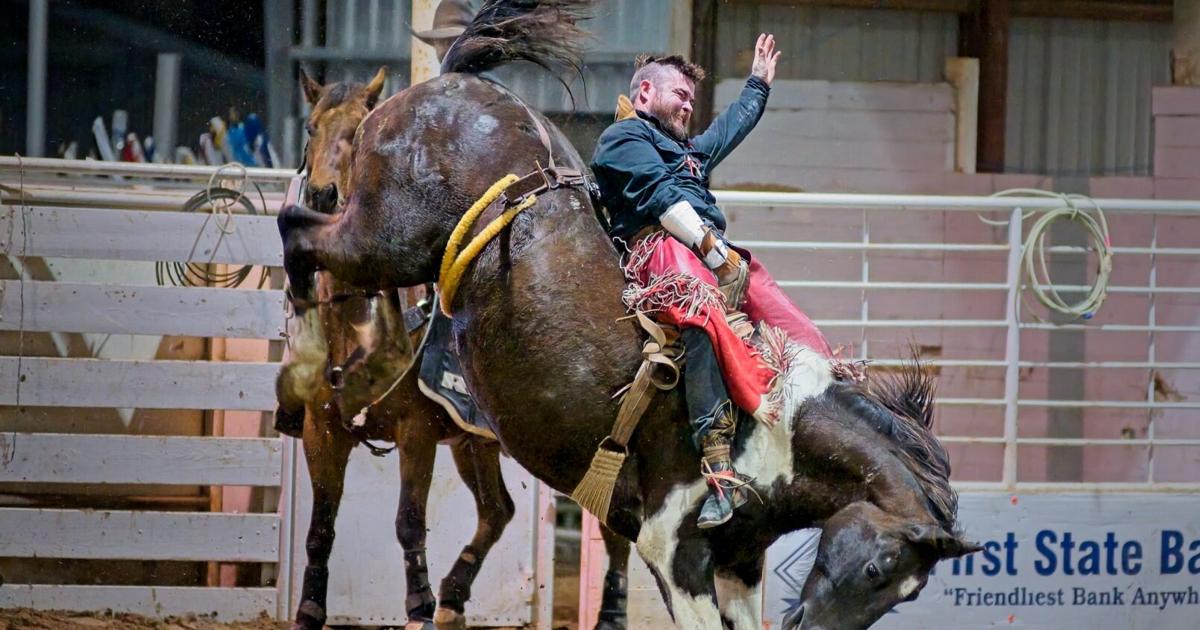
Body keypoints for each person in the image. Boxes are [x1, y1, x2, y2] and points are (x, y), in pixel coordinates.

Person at [590, 34, 832, 528]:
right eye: (679, 94)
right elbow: (659, 197)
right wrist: (716, 254)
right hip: (660, 249)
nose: (688, 105)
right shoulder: (623, 139)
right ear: (643, 95)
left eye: (691, 99)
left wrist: (759, 85)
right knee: (698, 311)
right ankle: (720, 472)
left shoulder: (691, 154)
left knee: (797, 331)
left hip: (710, 253)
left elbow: (732, 127)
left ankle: (819, 426)